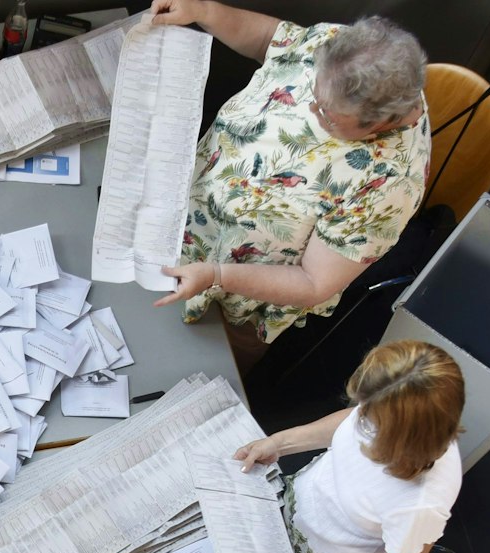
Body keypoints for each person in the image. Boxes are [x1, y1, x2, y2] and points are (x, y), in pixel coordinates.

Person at [149, 3, 431, 373]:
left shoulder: (390, 183)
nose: (313, 109)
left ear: (381, 122)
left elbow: (315, 282)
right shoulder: (342, 51)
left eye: (328, 115)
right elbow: (272, 40)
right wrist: (203, 10)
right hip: (172, 230)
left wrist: (217, 276)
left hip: (226, 297)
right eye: (313, 92)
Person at [236, 339, 463, 553]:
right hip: (292, 505)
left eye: (369, 418)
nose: (360, 417)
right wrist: (279, 443)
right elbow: (350, 421)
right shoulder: (384, 407)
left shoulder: (421, 503)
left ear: (398, 435)